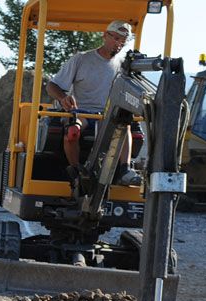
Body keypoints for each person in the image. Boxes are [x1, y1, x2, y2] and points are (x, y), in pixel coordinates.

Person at [45, 19, 143, 187]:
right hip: (81, 112)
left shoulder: (123, 67)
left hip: (108, 115)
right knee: (72, 131)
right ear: (105, 35)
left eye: (122, 41)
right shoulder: (81, 59)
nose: (118, 44)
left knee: (124, 123)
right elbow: (52, 86)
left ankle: (124, 169)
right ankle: (76, 171)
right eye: (115, 38)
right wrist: (63, 98)